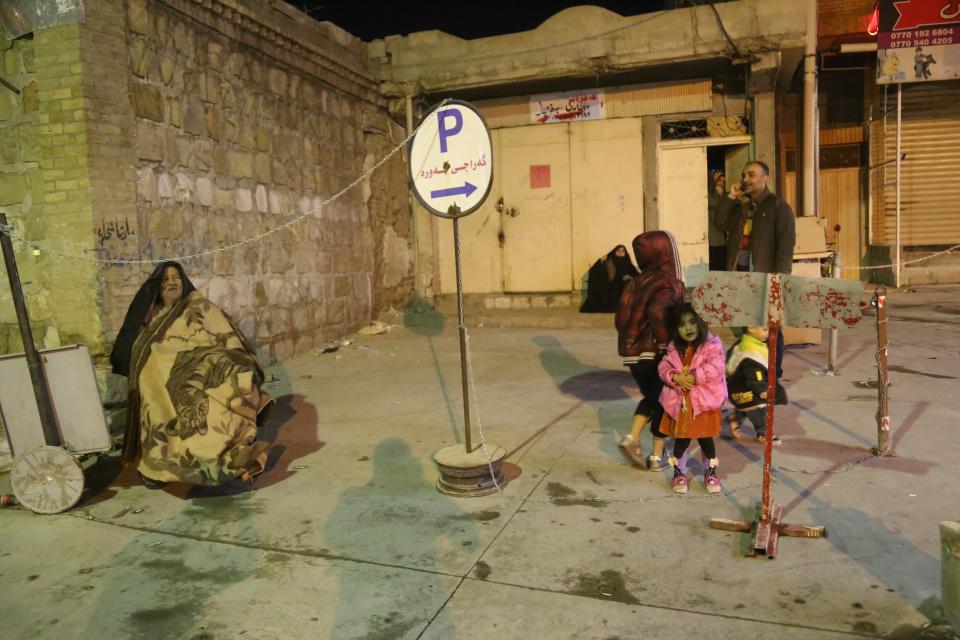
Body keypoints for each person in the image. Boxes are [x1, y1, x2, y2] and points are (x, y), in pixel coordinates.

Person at [110, 261, 271, 489]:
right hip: (161, 374)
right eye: (166, 279)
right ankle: (160, 465)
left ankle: (217, 454)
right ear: (157, 285)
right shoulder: (150, 312)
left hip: (203, 368)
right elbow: (135, 347)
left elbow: (224, 336)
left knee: (218, 389)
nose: (172, 282)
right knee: (154, 381)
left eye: (176, 277)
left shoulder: (199, 305)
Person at [714, 159, 796, 377]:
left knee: (771, 330)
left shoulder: (778, 206)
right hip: (741, 278)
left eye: (751, 175)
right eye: (743, 175)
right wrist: (729, 198)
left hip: (766, 278)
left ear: (765, 178)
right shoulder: (740, 206)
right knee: (748, 328)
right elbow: (719, 224)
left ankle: (772, 376)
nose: (745, 179)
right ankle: (752, 369)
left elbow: (786, 247)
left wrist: (779, 279)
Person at [615, 231, 684, 471]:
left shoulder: (633, 282)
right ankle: (657, 455)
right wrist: (667, 345)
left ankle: (632, 438)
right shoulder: (668, 282)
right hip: (656, 353)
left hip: (633, 355)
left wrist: (628, 341)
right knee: (665, 402)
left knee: (652, 397)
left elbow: (620, 319)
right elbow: (658, 313)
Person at [657, 303, 726, 494]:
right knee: (681, 439)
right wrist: (674, 376)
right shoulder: (674, 349)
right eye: (681, 325)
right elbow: (663, 368)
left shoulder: (712, 345)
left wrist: (695, 376)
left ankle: (710, 472)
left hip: (704, 403)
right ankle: (679, 473)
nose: (687, 328)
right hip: (682, 404)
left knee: (706, 439)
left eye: (692, 322)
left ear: (702, 322)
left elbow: (716, 367)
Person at [725, 325, 788, 446]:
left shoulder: (747, 342)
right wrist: (761, 389)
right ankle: (763, 433)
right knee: (759, 407)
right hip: (747, 388)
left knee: (747, 406)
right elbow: (753, 373)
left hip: (740, 387)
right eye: (765, 330)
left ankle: (735, 419)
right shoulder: (750, 352)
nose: (768, 333)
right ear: (751, 328)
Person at [580, 244, 639, 313]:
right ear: (614, 251)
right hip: (609, 285)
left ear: (625, 253)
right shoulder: (608, 260)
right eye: (618, 250)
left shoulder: (627, 262)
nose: (620, 252)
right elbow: (594, 271)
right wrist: (600, 262)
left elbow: (635, 274)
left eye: (623, 251)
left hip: (622, 286)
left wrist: (630, 277)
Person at [707, 171, 727, 271]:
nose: (721, 184)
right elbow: (713, 203)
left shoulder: (724, 196)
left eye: (724, 182)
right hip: (714, 238)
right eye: (719, 181)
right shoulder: (710, 194)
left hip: (722, 239)